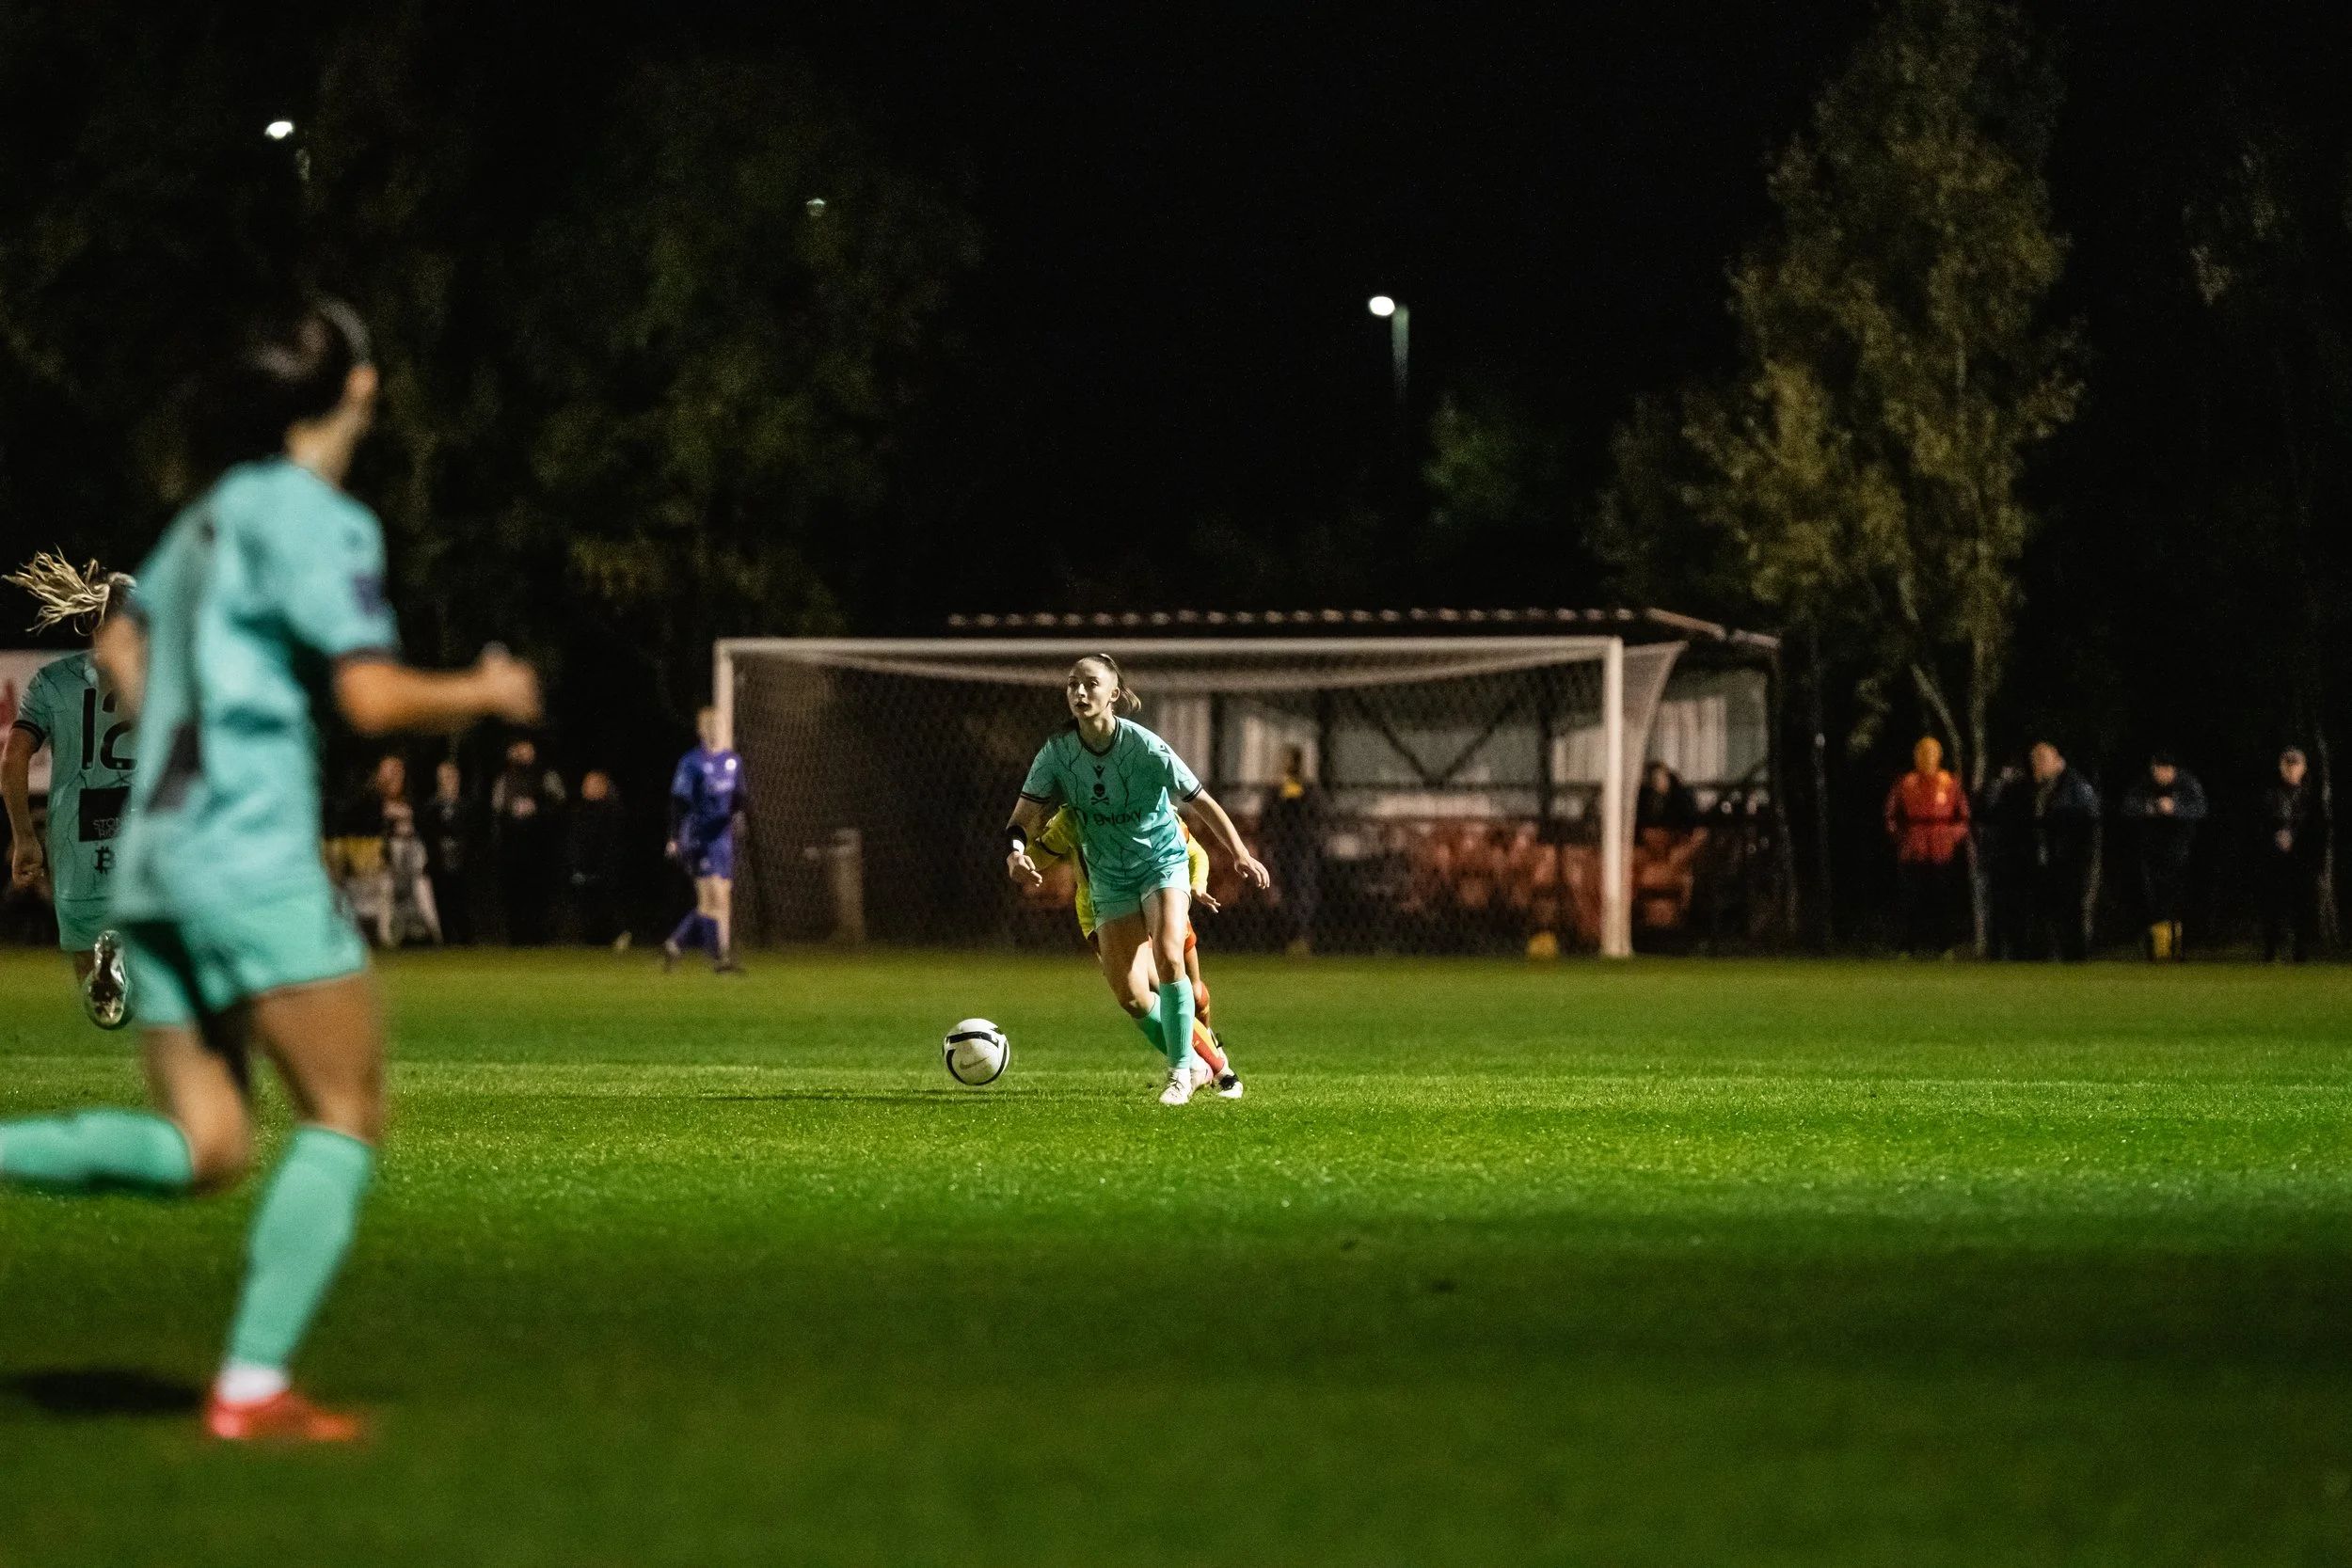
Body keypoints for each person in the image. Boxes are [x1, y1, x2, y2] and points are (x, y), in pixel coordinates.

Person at [0, 300, 539, 1441]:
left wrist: (179, 714)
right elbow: (371, 697)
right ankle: (251, 1387)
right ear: (359, 388)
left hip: (154, 862)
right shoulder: (317, 519)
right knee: (346, 1111)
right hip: (244, 852)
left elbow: (120, 644)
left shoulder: (208, 515)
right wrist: (486, 691)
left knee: (207, 1146)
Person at [1005, 655, 1268, 1106]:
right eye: (1072, 684)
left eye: (1091, 683)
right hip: (1110, 879)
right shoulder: (1056, 753)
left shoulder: (1145, 747)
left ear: (1114, 694)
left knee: (1168, 955)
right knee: (1131, 995)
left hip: (1161, 863)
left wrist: (1239, 853)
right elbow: (1021, 819)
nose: (1079, 692)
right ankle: (1208, 1062)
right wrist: (1015, 856)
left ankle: (1181, 1072)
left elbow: (1202, 801)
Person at [2, 553, 138, 1027]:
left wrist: (24, 836)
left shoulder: (52, 682)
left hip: (77, 840)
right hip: (146, 831)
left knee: (102, 1002)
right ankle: (124, 964)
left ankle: (110, 968)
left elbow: (14, 759)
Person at [1027, 803, 1242, 1097]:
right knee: (1143, 991)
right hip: (1103, 911)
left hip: (1159, 899)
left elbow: (1196, 853)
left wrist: (1197, 885)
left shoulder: (1153, 806)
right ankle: (1211, 1067)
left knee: (1191, 993)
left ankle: (1209, 1062)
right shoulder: (1077, 814)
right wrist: (1020, 853)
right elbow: (1044, 852)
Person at [663, 706, 748, 973]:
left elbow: (739, 799)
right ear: (701, 730)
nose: (715, 730)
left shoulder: (732, 762)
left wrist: (738, 817)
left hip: (723, 839)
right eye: (709, 726)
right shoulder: (691, 762)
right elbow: (678, 803)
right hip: (698, 837)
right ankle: (718, 958)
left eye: (718, 725)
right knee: (714, 898)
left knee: (717, 902)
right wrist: (674, 836)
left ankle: (676, 943)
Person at [1883, 736, 1970, 956]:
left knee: (1943, 897)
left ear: (1939, 756)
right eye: (1922, 753)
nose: (1927, 757)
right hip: (1913, 848)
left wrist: (1952, 836)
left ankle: (1944, 946)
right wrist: (1902, 837)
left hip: (1942, 848)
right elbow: (1891, 815)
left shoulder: (1950, 782)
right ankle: (1908, 946)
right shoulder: (1906, 783)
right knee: (1910, 898)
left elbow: (1964, 817)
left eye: (1931, 753)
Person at [2120, 751, 2206, 960]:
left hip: (2180, 853)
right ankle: (2158, 951)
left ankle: (2177, 950)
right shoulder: (2143, 784)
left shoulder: (2187, 783)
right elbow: (2127, 807)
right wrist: (2148, 809)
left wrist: (2175, 809)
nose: (2163, 774)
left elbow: (2200, 809)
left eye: (2167, 769)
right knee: (2152, 901)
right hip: (2149, 852)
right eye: (2159, 769)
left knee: (2177, 901)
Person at [2027, 742, 2100, 961]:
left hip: (2072, 859)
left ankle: (2075, 955)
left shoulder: (2075, 785)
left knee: (2072, 907)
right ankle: (2049, 953)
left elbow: (2088, 819)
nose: (2038, 766)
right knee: (2047, 908)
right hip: (2047, 858)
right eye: (2035, 761)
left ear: (2057, 760)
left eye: (2043, 760)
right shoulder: (2035, 787)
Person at [491, 737, 564, 944]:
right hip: (512, 847)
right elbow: (497, 809)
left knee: (538, 894)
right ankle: (516, 937)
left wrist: (536, 808)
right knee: (513, 894)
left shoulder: (546, 775)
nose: (522, 752)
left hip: (539, 847)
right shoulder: (505, 777)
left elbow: (559, 804)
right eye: (518, 748)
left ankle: (539, 936)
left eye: (526, 748)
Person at [2258, 746, 2324, 962]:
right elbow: (2260, 824)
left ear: (2303, 768)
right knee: (2272, 904)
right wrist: (2276, 837)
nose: (2291, 769)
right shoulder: (2270, 794)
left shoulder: (2312, 797)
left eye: (2295, 765)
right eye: (2287, 765)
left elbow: (2319, 829)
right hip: (2274, 859)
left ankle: (2300, 951)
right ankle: (2270, 950)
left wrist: (2298, 841)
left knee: (2302, 905)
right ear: (2281, 767)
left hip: (2302, 858)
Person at [1259, 744, 1326, 956]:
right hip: (1282, 846)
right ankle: (1285, 937)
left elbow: (1315, 816)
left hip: (1302, 847)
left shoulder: (1307, 789)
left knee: (1303, 892)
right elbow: (1267, 817)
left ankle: (1301, 936)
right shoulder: (1277, 789)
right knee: (1284, 891)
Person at [568, 768, 628, 949]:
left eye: (593, 784)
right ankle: (593, 942)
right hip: (583, 868)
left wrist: (605, 867)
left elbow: (612, 844)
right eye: (586, 784)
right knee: (586, 908)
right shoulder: (579, 811)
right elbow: (575, 841)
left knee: (605, 905)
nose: (587, 787)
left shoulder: (612, 811)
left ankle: (617, 935)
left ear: (604, 787)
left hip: (604, 868)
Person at [421, 759, 479, 945]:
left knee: (462, 900)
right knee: (442, 901)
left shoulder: (466, 806)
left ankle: (465, 938)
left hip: (462, 860)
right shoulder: (432, 807)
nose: (450, 782)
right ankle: (446, 938)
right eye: (445, 778)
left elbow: (472, 833)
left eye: (453, 777)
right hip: (439, 861)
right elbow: (428, 833)